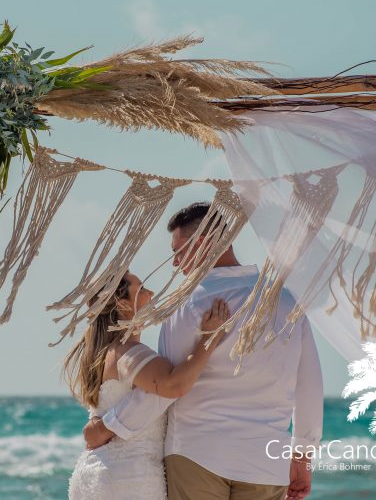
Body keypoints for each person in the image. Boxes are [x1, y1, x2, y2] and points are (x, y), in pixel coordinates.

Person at [83, 202, 324, 500]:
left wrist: (109, 426)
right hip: (265, 460)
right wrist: (302, 456)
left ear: (202, 243)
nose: (175, 263)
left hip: (196, 455)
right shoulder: (285, 302)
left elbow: (166, 388)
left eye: (178, 251)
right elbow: (309, 385)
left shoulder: (187, 305)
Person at [65, 270, 231, 500]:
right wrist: (208, 339)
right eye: (141, 289)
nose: (151, 293)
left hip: (95, 474)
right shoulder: (127, 353)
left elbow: (148, 399)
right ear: (121, 303)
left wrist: (105, 427)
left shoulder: (106, 353)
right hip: (128, 479)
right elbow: (174, 386)